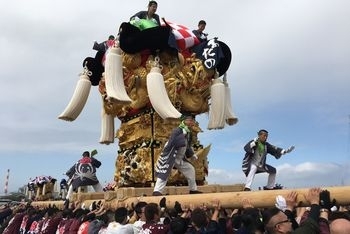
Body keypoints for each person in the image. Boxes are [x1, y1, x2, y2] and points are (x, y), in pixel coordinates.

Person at [153, 113, 202, 196]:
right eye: (189, 120)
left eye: (192, 120)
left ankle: (193, 189)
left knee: (190, 169)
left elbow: (187, 146)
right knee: (164, 171)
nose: (191, 122)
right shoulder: (177, 130)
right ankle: (157, 191)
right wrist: (183, 135)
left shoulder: (188, 132)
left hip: (180, 158)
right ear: (184, 121)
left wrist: (192, 155)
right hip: (171, 155)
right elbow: (172, 142)